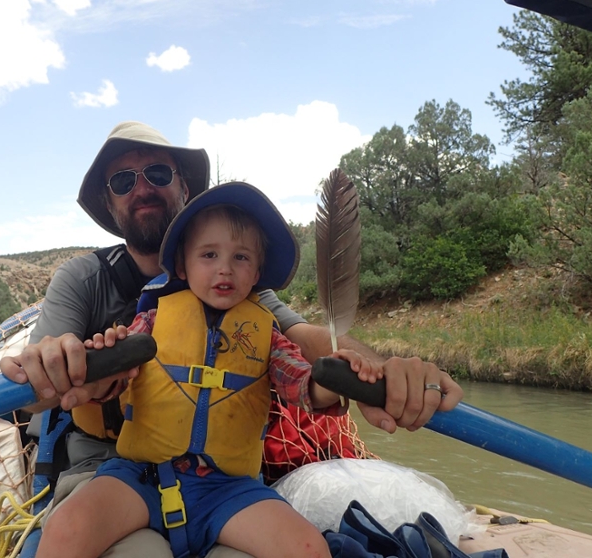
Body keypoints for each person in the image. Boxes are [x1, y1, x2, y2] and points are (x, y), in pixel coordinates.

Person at [0, 121, 463, 557]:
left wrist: (373, 373)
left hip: (224, 486)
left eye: (157, 172)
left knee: (306, 548)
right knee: (81, 536)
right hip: (122, 470)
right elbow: (86, 377)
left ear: (183, 186)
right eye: (122, 180)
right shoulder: (89, 281)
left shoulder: (253, 305)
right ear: (110, 200)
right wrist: (81, 373)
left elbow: (309, 356)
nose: (140, 187)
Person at [36, 182, 383, 558]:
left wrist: (331, 381)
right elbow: (117, 380)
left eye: (241, 258)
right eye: (209, 254)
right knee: (67, 527)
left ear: (257, 273)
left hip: (227, 489)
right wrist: (100, 365)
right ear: (182, 265)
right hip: (141, 475)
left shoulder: (266, 334)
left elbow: (299, 384)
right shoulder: (150, 321)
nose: (225, 269)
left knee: (308, 547)